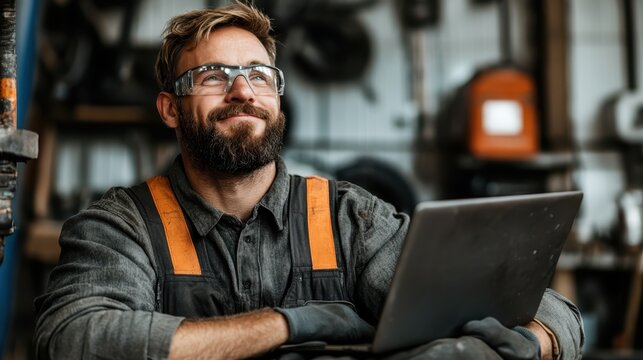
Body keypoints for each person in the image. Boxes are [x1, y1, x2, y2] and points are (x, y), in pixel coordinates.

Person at [34, 2, 584, 359]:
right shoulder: (121, 226)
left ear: (276, 96)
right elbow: (72, 339)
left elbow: (545, 308)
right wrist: (289, 324)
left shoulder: (350, 218)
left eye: (257, 74)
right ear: (170, 109)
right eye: (211, 76)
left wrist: (530, 343)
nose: (241, 90)